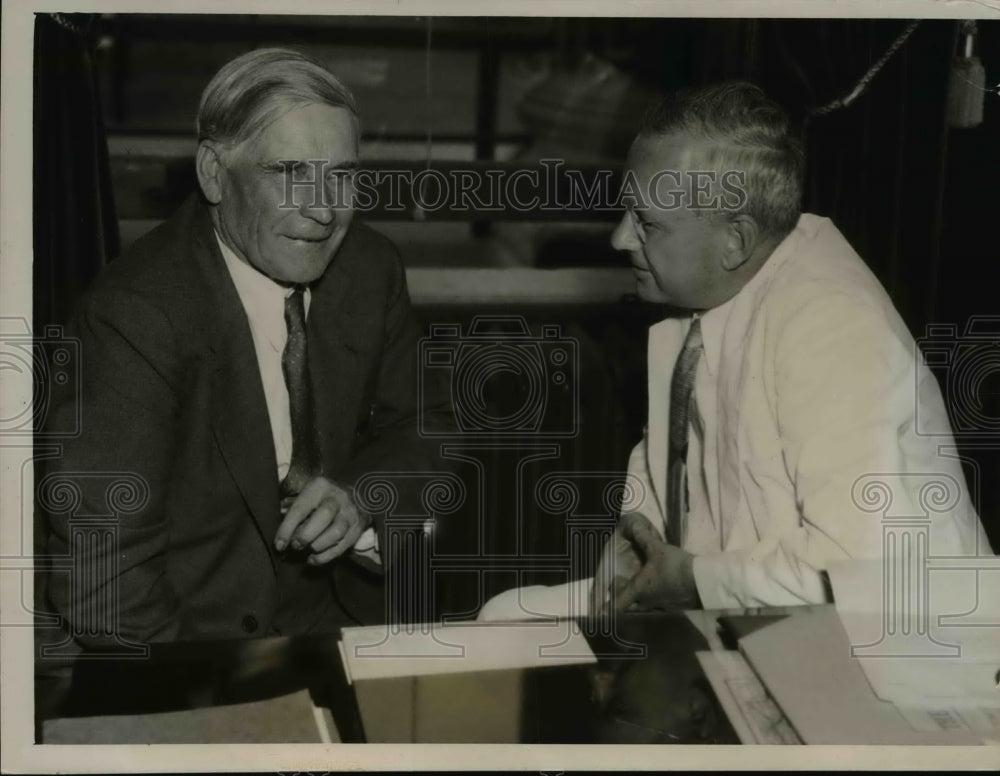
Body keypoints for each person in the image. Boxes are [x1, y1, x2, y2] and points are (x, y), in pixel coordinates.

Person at [478, 81, 991, 622]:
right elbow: (667, 452)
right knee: (506, 615)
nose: (620, 238)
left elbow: (853, 568)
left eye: (646, 223)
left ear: (735, 240)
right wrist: (639, 530)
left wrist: (694, 581)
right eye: (627, 212)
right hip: (751, 599)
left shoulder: (834, 328)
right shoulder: (709, 286)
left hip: (893, 631)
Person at [40, 48, 452, 649]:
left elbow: (427, 425)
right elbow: (105, 585)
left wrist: (362, 495)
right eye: (290, 172)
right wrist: (210, 695)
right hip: (191, 648)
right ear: (214, 173)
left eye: (342, 175)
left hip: (358, 620)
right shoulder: (133, 318)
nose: (323, 209)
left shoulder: (370, 268)